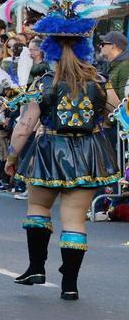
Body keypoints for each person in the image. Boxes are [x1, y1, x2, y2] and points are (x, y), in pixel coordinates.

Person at [7, 19, 120, 300]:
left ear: (50, 50)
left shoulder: (44, 83)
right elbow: (118, 112)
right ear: (84, 49)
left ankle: (36, 268)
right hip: (88, 153)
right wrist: (98, 120)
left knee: (37, 207)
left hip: (49, 150)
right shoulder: (100, 82)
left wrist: (12, 157)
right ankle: (70, 285)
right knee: (74, 221)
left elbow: (24, 126)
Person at [98, 30, 129, 97]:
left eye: (103, 44)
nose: (100, 46)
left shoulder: (125, 67)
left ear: (112, 46)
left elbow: (124, 102)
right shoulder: (110, 64)